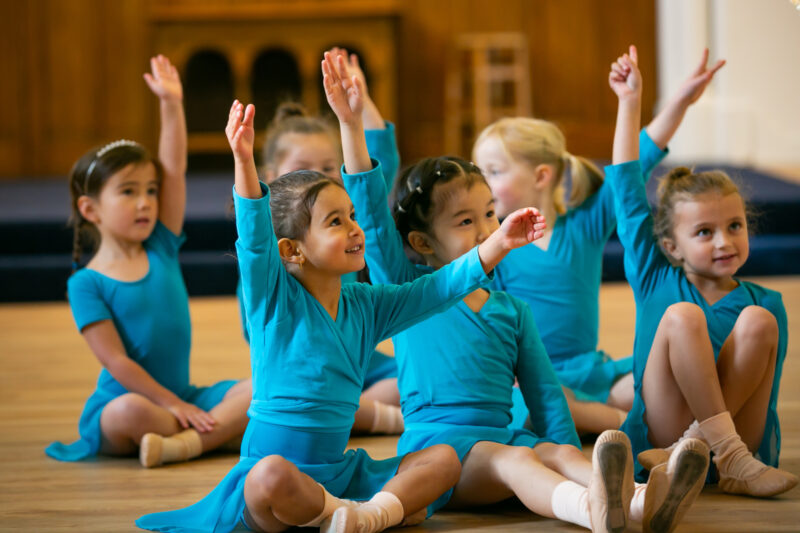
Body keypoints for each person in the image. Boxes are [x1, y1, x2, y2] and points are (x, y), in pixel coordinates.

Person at [136, 52, 545, 532]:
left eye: (352, 216)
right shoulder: (275, 302)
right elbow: (253, 240)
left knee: (441, 461)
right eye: (336, 222)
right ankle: (343, 516)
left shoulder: (368, 306)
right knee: (269, 476)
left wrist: (499, 242)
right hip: (277, 481)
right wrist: (243, 161)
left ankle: (366, 515)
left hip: (339, 475)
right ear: (292, 251)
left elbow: (439, 287)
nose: (355, 229)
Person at [337, 48, 709, 532]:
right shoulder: (409, 291)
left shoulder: (511, 310)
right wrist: (351, 122)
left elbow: (546, 395)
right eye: (466, 221)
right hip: (440, 456)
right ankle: (596, 512)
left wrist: (561, 445)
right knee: (515, 461)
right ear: (421, 242)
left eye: (489, 213)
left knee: (554, 450)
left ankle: (638, 501)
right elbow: (369, 207)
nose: (487, 227)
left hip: (506, 437)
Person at [472, 50, 725, 434]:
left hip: (593, 373)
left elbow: (634, 163)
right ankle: (635, 428)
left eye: (494, 171)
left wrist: (678, 102)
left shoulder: (584, 224)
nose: (484, 184)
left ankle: (641, 422)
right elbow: (490, 323)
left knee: (664, 375)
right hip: (533, 378)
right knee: (528, 403)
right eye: (480, 172)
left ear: (541, 176)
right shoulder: (494, 245)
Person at [606, 45, 798, 498]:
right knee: (682, 317)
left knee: (759, 322)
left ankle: (715, 454)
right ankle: (717, 452)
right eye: (705, 232)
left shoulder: (763, 304)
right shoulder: (656, 276)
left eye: (735, 226)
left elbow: (763, 403)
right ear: (671, 245)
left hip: (730, 446)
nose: (724, 242)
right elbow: (626, 188)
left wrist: (711, 442)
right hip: (661, 435)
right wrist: (629, 102)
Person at [46, 55, 251, 468]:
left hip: (183, 395)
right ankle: (214, 432)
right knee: (128, 414)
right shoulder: (85, 284)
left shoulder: (161, 244)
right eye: (127, 192)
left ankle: (186, 442)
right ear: (90, 209)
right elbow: (116, 362)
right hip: (131, 401)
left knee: (263, 385)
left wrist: (171, 104)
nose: (145, 202)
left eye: (150, 191)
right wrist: (171, 403)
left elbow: (174, 169)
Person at [237, 47, 403, 435]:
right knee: (251, 397)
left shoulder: (343, 221)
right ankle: (374, 416)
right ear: (272, 174)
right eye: (303, 170)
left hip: (359, 358)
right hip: (298, 362)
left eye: (329, 168)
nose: (318, 178)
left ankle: (362, 412)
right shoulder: (272, 236)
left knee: (418, 372)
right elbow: (258, 323)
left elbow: (381, 165)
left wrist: (361, 105)